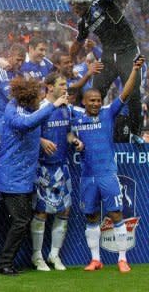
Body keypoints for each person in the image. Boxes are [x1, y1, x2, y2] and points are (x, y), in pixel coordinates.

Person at [70, 56, 145, 273]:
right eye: (91, 100)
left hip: (107, 174)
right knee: (91, 216)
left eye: (97, 100)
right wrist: (73, 140)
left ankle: (122, 259)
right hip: (87, 176)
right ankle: (95, 260)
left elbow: (126, 92)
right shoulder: (77, 118)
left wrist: (134, 69)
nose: (95, 103)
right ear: (84, 102)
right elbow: (66, 133)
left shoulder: (108, 113)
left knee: (116, 215)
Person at [0, 76, 68, 275]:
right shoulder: (14, 110)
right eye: (38, 95)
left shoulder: (28, 109)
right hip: (12, 177)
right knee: (21, 220)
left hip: (25, 177)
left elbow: (33, 126)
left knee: (23, 219)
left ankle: (7, 261)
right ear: (29, 97)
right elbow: (25, 124)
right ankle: (4, 263)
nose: (41, 98)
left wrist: (42, 140)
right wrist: (52, 105)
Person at [65, 0, 143, 136]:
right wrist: (68, 63)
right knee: (94, 92)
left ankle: (136, 134)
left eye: (76, 4)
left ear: (83, 0)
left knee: (133, 94)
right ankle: (90, 126)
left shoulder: (101, 3)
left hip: (128, 52)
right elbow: (77, 43)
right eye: (72, 5)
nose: (74, 8)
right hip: (108, 56)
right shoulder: (83, 23)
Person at [30, 73, 84, 271]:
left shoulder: (66, 109)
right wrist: (41, 141)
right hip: (43, 167)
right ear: (49, 87)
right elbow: (27, 132)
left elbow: (69, 132)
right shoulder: (40, 108)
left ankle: (54, 254)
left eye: (66, 85)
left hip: (62, 166)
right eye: (62, 85)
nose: (65, 88)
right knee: (42, 211)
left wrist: (75, 140)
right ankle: (37, 256)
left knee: (64, 210)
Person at [0, 44, 26, 144]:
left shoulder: (19, 74)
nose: (20, 63)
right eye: (18, 60)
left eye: (22, 60)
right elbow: (11, 96)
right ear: (10, 56)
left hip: (10, 121)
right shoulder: (1, 71)